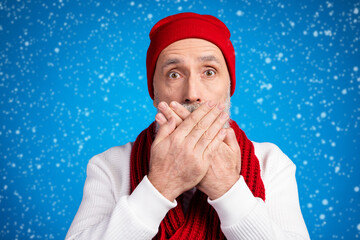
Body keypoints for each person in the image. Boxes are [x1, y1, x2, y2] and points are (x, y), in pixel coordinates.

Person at [66, 12, 310, 239]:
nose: (192, 94)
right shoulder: (109, 166)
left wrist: (228, 189)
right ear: (154, 92)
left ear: (229, 87)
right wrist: (160, 186)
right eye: (174, 74)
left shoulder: (271, 162)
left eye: (209, 72)